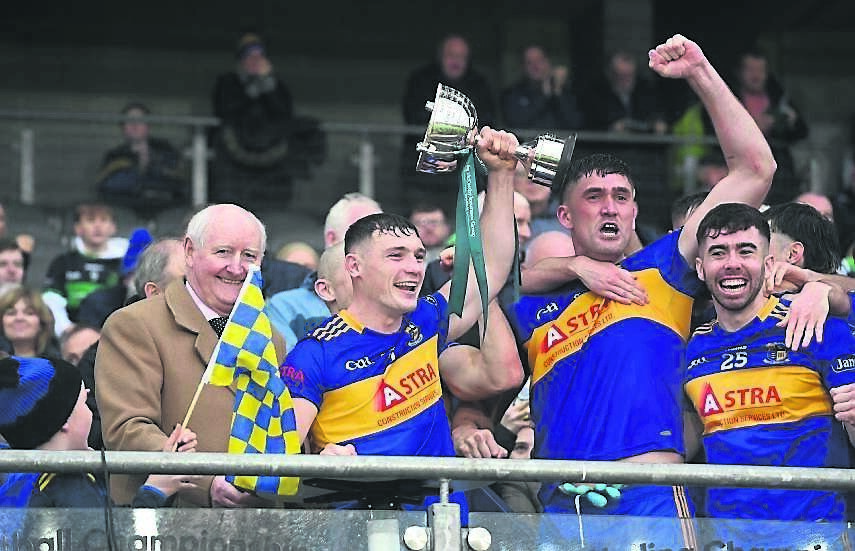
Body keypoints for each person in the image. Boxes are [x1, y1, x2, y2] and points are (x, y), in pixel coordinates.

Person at [508, 34, 776, 545]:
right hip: (561, 508)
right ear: (564, 215)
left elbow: (755, 169)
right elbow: (489, 287)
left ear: (634, 211)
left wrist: (701, 72)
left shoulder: (667, 265)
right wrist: (575, 265)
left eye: (622, 197)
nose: (610, 207)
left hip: (646, 495)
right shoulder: (532, 307)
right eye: (594, 197)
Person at [280, 128, 520, 509]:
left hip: (439, 519)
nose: (414, 267)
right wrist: (313, 462)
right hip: (358, 526)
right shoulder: (315, 353)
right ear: (354, 266)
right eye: (396, 255)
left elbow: (489, 266)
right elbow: (277, 454)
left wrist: (503, 175)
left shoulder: (425, 320)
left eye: (417, 254)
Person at [684, 203, 855, 548]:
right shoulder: (690, 347)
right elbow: (680, 446)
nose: (732, 263)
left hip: (814, 536)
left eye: (746, 251)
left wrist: (821, 288)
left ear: (768, 263)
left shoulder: (814, 323)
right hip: (725, 541)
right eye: (719, 252)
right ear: (701, 268)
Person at [95, 203, 285, 507]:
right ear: (189, 252)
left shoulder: (271, 338)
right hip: (169, 522)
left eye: (249, 256)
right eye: (223, 252)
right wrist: (206, 482)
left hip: (258, 525)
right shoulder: (133, 324)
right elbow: (126, 430)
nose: (236, 268)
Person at [0, 356, 200, 508]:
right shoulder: (69, 485)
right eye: (84, 403)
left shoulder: (20, 476)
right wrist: (156, 490)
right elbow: (113, 541)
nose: (90, 410)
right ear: (64, 421)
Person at [211, 32, 324, 207]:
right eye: (249, 56)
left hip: (272, 162)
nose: (255, 61)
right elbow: (226, 109)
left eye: (259, 56)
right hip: (233, 162)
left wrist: (267, 85)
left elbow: (283, 112)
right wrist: (252, 89)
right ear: (241, 60)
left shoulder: (277, 87)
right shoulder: (227, 83)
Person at [401, 34, 497, 214]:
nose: (456, 61)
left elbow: (487, 122)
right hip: (425, 170)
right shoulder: (420, 80)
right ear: (440, 57)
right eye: (451, 55)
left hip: (464, 171)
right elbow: (414, 117)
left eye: (461, 57)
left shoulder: (479, 84)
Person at [733, 47, 809, 205]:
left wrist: (790, 122)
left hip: (779, 173)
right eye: (750, 70)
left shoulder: (779, 97)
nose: (756, 75)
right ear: (740, 73)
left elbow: (802, 131)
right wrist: (753, 127)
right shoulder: (730, 98)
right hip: (741, 169)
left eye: (760, 70)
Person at [42, 203, 127, 334]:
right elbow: (51, 298)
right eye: (90, 220)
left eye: (104, 220)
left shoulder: (125, 264)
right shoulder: (63, 262)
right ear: (78, 228)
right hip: (71, 332)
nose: (98, 226)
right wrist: (66, 329)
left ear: (113, 227)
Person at [96, 102, 187, 219]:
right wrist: (138, 170)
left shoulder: (165, 151)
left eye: (140, 120)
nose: (135, 125)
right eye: (129, 121)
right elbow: (107, 187)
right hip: (125, 209)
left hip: (165, 208)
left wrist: (152, 166)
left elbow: (178, 182)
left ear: (148, 125)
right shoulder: (115, 155)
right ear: (122, 127)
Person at [76, 227, 153, 329]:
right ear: (125, 278)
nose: (141, 284)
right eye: (134, 274)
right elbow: (85, 339)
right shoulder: (97, 304)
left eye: (147, 276)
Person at [581, 49, 667, 134]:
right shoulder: (596, 94)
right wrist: (611, 129)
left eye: (629, 76)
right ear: (610, 74)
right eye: (620, 76)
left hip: (643, 145)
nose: (625, 81)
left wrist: (658, 123)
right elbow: (589, 126)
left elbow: (657, 115)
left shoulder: (646, 92)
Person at [501, 45, 583, 132]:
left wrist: (557, 91)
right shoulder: (513, 94)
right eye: (529, 62)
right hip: (528, 144)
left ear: (548, 62)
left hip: (561, 144)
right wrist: (544, 95)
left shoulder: (565, 92)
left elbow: (576, 123)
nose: (535, 66)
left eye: (539, 60)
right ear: (522, 67)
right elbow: (515, 123)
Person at [0, 287, 58, 358]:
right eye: (11, 313)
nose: (19, 318)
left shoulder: (59, 367)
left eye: (29, 313)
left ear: (42, 322)